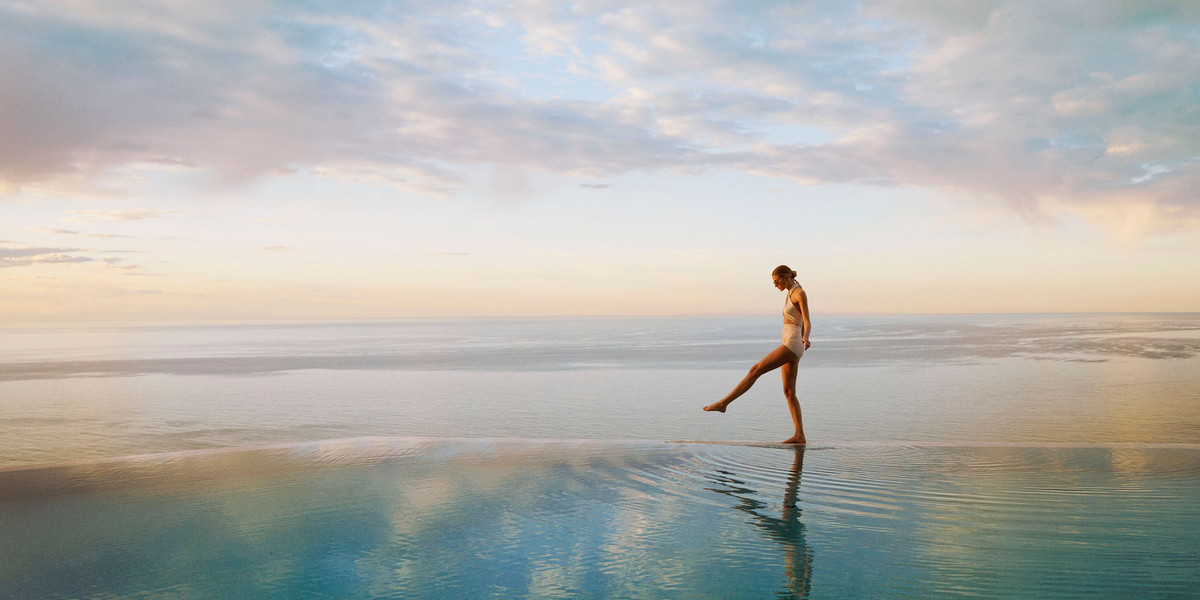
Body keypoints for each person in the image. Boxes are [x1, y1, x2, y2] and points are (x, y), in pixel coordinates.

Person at [704, 265, 811, 444]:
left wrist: (806, 337)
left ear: (785, 277)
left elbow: (807, 320)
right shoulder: (790, 292)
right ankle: (799, 435)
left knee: (755, 370)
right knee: (789, 391)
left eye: (776, 281)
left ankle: (724, 403)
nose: (775, 285)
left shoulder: (799, 293)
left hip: (793, 344)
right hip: (789, 343)